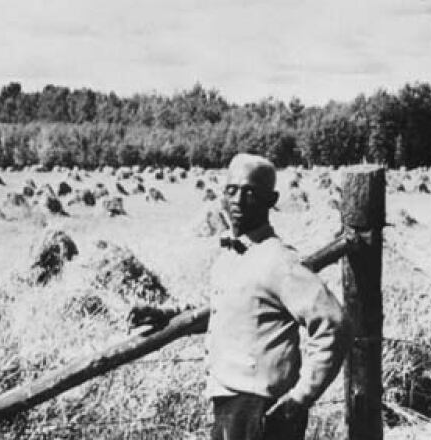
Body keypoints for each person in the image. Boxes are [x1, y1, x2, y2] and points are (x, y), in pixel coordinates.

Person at [128, 153, 351, 440]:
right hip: (228, 401)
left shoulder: (278, 261)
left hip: (262, 407)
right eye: (231, 190)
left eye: (250, 192)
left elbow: (334, 323)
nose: (238, 200)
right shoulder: (231, 257)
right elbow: (225, 310)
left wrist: (300, 398)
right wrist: (169, 315)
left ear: (271, 200)